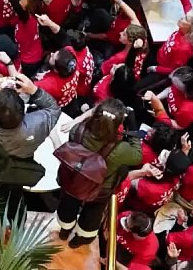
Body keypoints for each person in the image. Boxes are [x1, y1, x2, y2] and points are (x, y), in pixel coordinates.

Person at [55, 100, 143, 245]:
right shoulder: (121, 149)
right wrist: (133, 130)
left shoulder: (77, 130)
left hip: (74, 179)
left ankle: (64, 231)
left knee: (68, 204)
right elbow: (138, 156)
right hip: (100, 187)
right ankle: (80, 240)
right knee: (93, 212)